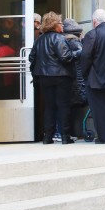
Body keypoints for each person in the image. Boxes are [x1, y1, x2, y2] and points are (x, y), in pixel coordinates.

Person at [28, 12, 80, 144]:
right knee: (63, 106)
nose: (62, 25)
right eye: (60, 23)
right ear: (54, 25)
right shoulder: (59, 38)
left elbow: (31, 58)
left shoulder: (39, 39)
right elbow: (66, 57)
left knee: (49, 107)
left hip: (44, 77)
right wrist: (78, 52)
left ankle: (47, 137)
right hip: (61, 77)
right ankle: (65, 136)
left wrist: (36, 74)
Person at [81, 9, 105, 144]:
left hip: (96, 78)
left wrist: (85, 73)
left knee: (100, 109)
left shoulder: (92, 34)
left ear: (94, 21)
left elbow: (85, 56)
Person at [62, 18, 87, 140]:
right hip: (77, 77)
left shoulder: (63, 40)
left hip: (69, 77)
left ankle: (71, 131)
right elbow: (81, 55)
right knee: (77, 105)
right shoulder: (74, 41)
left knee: (69, 104)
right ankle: (77, 132)